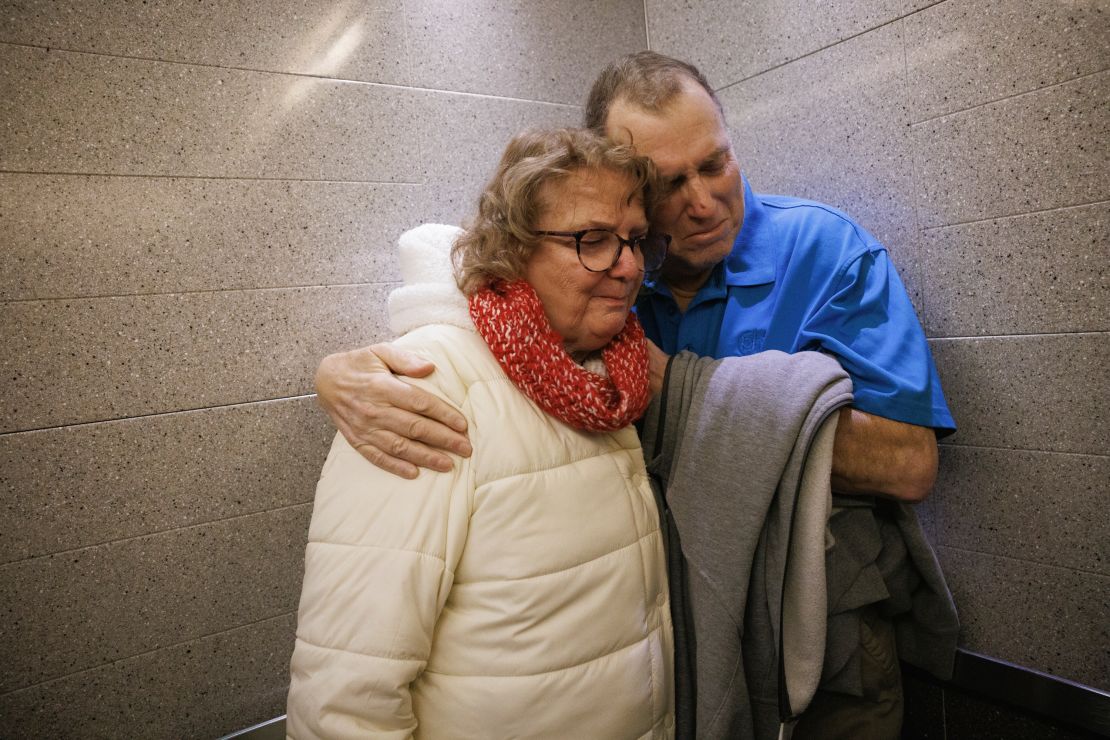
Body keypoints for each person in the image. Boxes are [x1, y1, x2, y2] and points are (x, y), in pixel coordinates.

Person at [313, 52, 956, 737]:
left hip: (825, 638)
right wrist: (340, 374)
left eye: (715, 163)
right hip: (671, 646)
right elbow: (479, 299)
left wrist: (684, 392)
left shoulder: (827, 253)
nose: (703, 202)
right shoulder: (604, 283)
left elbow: (910, 464)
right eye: (669, 184)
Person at [286, 128, 676, 739]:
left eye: (633, 240)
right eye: (593, 240)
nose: (627, 266)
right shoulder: (425, 388)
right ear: (515, 249)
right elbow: (346, 690)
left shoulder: (614, 379)